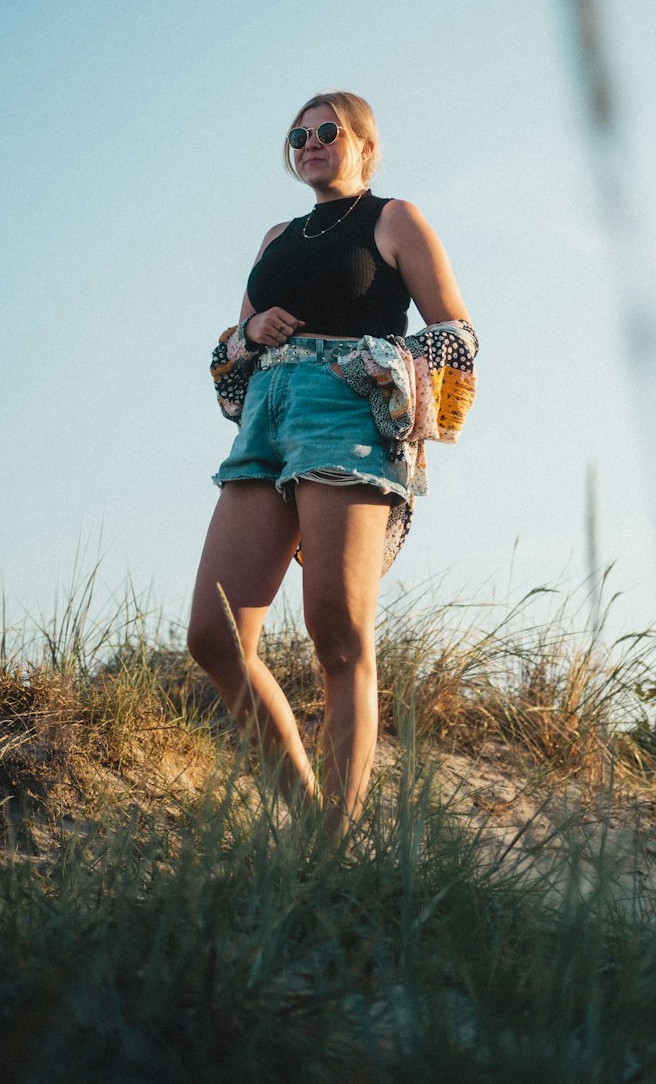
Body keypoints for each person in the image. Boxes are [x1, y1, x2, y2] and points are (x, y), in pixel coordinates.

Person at [187, 92, 476, 832]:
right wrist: (252, 326)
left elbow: (456, 334)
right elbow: (228, 350)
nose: (310, 142)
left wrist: (387, 367)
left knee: (338, 631)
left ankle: (333, 849)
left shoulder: (393, 218)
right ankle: (315, 816)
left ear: (365, 148)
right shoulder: (277, 235)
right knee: (214, 636)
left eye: (328, 132)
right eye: (298, 134)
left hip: (346, 417)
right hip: (265, 422)